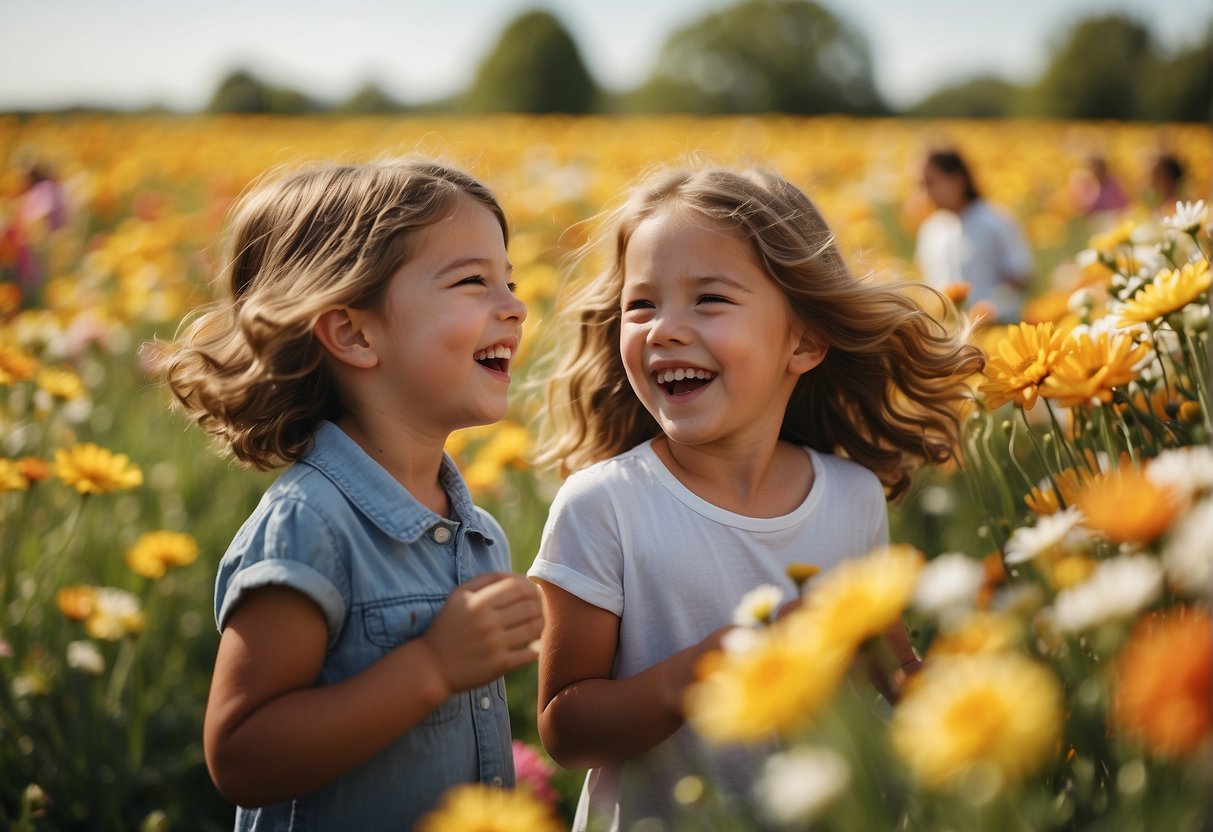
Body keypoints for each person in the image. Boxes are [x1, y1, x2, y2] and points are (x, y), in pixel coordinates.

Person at [527, 164, 984, 830]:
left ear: (803, 341)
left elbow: (886, 668)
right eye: (641, 304)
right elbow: (565, 730)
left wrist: (942, 689)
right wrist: (698, 672)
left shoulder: (850, 498)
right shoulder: (602, 506)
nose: (663, 329)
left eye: (707, 299)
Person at [154, 158, 544, 830]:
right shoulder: (309, 525)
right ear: (354, 334)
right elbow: (242, 754)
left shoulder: (478, 531)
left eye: (507, 280)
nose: (514, 305)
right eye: (473, 281)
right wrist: (431, 666)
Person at [915, 148, 1033, 323]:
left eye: (931, 183)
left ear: (958, 179)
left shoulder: (994, 219)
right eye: (920, 185)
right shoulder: (929, 229)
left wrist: (991, 308)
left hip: (997, 327)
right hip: (949, 332)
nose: (926, 195)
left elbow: (1020, 274)